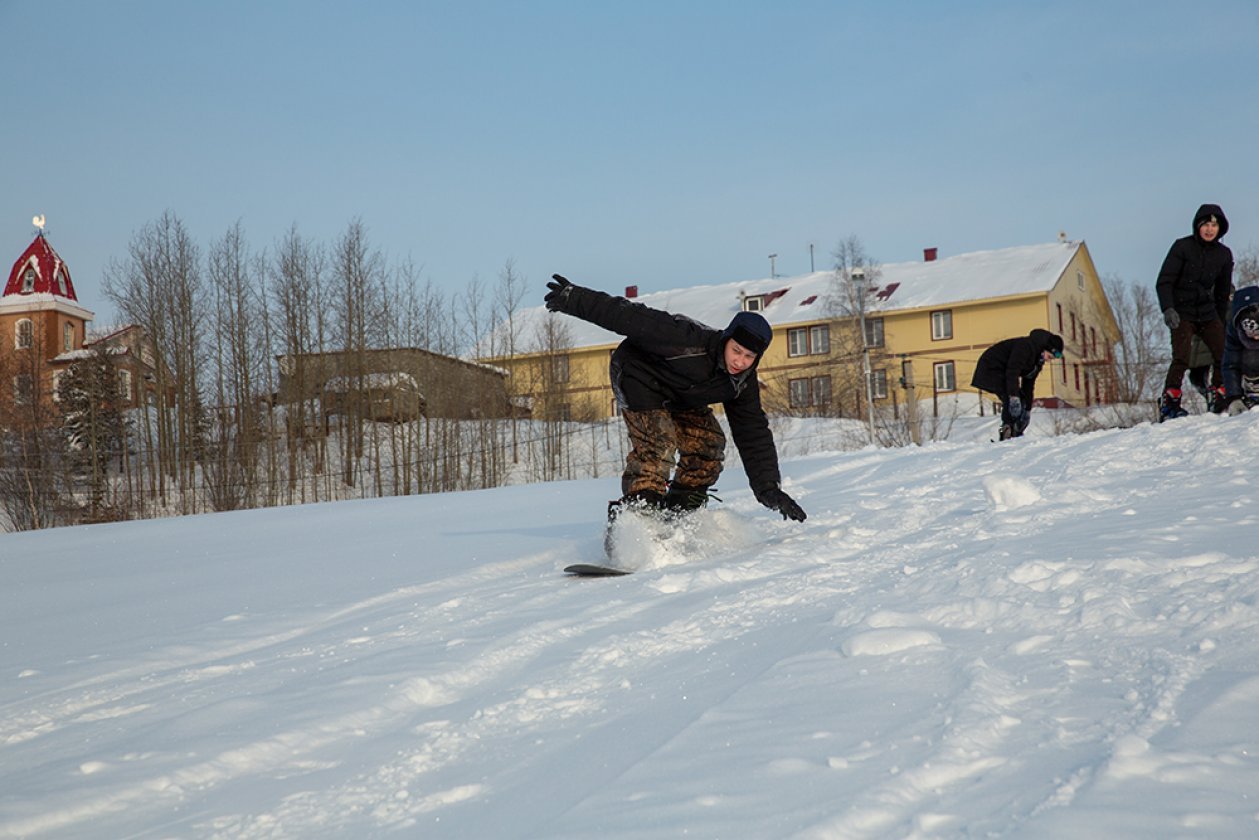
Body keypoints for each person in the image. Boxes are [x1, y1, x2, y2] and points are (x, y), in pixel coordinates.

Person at [543, 274, 806, 522]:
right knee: (659, 442)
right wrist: (574, 298)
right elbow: (628, 316)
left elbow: (752, 432)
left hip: (681, 395)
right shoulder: (685, 339)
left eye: (749, 357)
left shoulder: (741, 382)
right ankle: (637, 517)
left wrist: (768, 489)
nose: (740, 361)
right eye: (736, 350)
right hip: (638, 377)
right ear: (726, 339)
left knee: (708, 445)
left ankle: (679, 515)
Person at [1155, 203, 1234, 420]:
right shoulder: (1182, 248)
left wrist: (1221, 320)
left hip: (1208, 312)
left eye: (1214, 225)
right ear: (1198, 226)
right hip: (1183, 311)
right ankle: (1170, 402)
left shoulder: (1224, 254)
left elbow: (1222, 290)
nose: (1209, 229)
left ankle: (1219, 394)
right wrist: (1168, 308)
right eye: (1205, 225)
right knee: (1181, 357)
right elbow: (1164, 281)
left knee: (1223, 353)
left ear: (1220, 229)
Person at [970, 329, 1064, 440]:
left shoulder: (1037, 362)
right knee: (1010, 399)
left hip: (1004, 373)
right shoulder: (1025, 347)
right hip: (989, 369)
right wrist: (1014, 396)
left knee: (1021, 400)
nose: (1049, 360)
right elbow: (1012, 372)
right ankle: (1005, 432)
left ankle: (1016, 431)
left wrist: (1028, 409)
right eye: (1050, 357)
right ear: (1046, 349)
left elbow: (1028, 385)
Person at [1221, 284, 1259, 415]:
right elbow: (1230, 365)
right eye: (1254, 336)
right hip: (1250, 364)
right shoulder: (1233, 331)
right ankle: (1254, 388)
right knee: (1250, 356)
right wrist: (1233, 397)